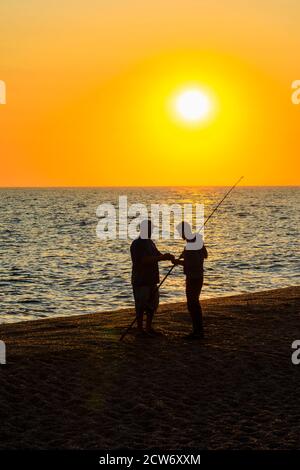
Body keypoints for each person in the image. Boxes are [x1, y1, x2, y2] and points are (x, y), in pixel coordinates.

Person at [130, 219, 175, 335]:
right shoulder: (137, 244)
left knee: (152, 305)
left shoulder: (150, 243)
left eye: (152, 229)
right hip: (141, 280)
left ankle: (148, 328)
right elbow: (144, 260)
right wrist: (161, 258)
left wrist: (167, 257)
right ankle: (140, 329)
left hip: (152, 280)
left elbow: (157, 255)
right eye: (150, 229)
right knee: (141, 305)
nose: (151, 231)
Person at [173, 221, 208, 340]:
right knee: (194, 303)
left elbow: (192, 263)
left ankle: (197, 332)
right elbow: (205, 255)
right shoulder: (196, 240)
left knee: (192, 304)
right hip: (198, 276)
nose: (180, 235)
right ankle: (198, 330)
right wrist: (187, 253)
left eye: (180, 232)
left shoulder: (191, 243)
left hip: (193, 277)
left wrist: (178, 262)